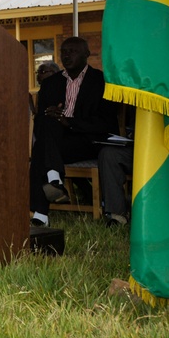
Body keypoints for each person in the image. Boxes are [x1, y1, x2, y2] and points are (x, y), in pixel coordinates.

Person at [29, 37, 118, 227]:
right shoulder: (50, 83)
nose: (67, 55)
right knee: (48, 122)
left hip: (88, 141)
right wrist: (51, 115)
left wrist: (69, 123)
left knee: (41, 149)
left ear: (86, 54)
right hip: (58, 142)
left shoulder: (101, 82)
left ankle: (41, 212)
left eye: (73, 51)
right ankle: (54, 177)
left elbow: (106, 123)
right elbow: (39, 124)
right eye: (64, 51)